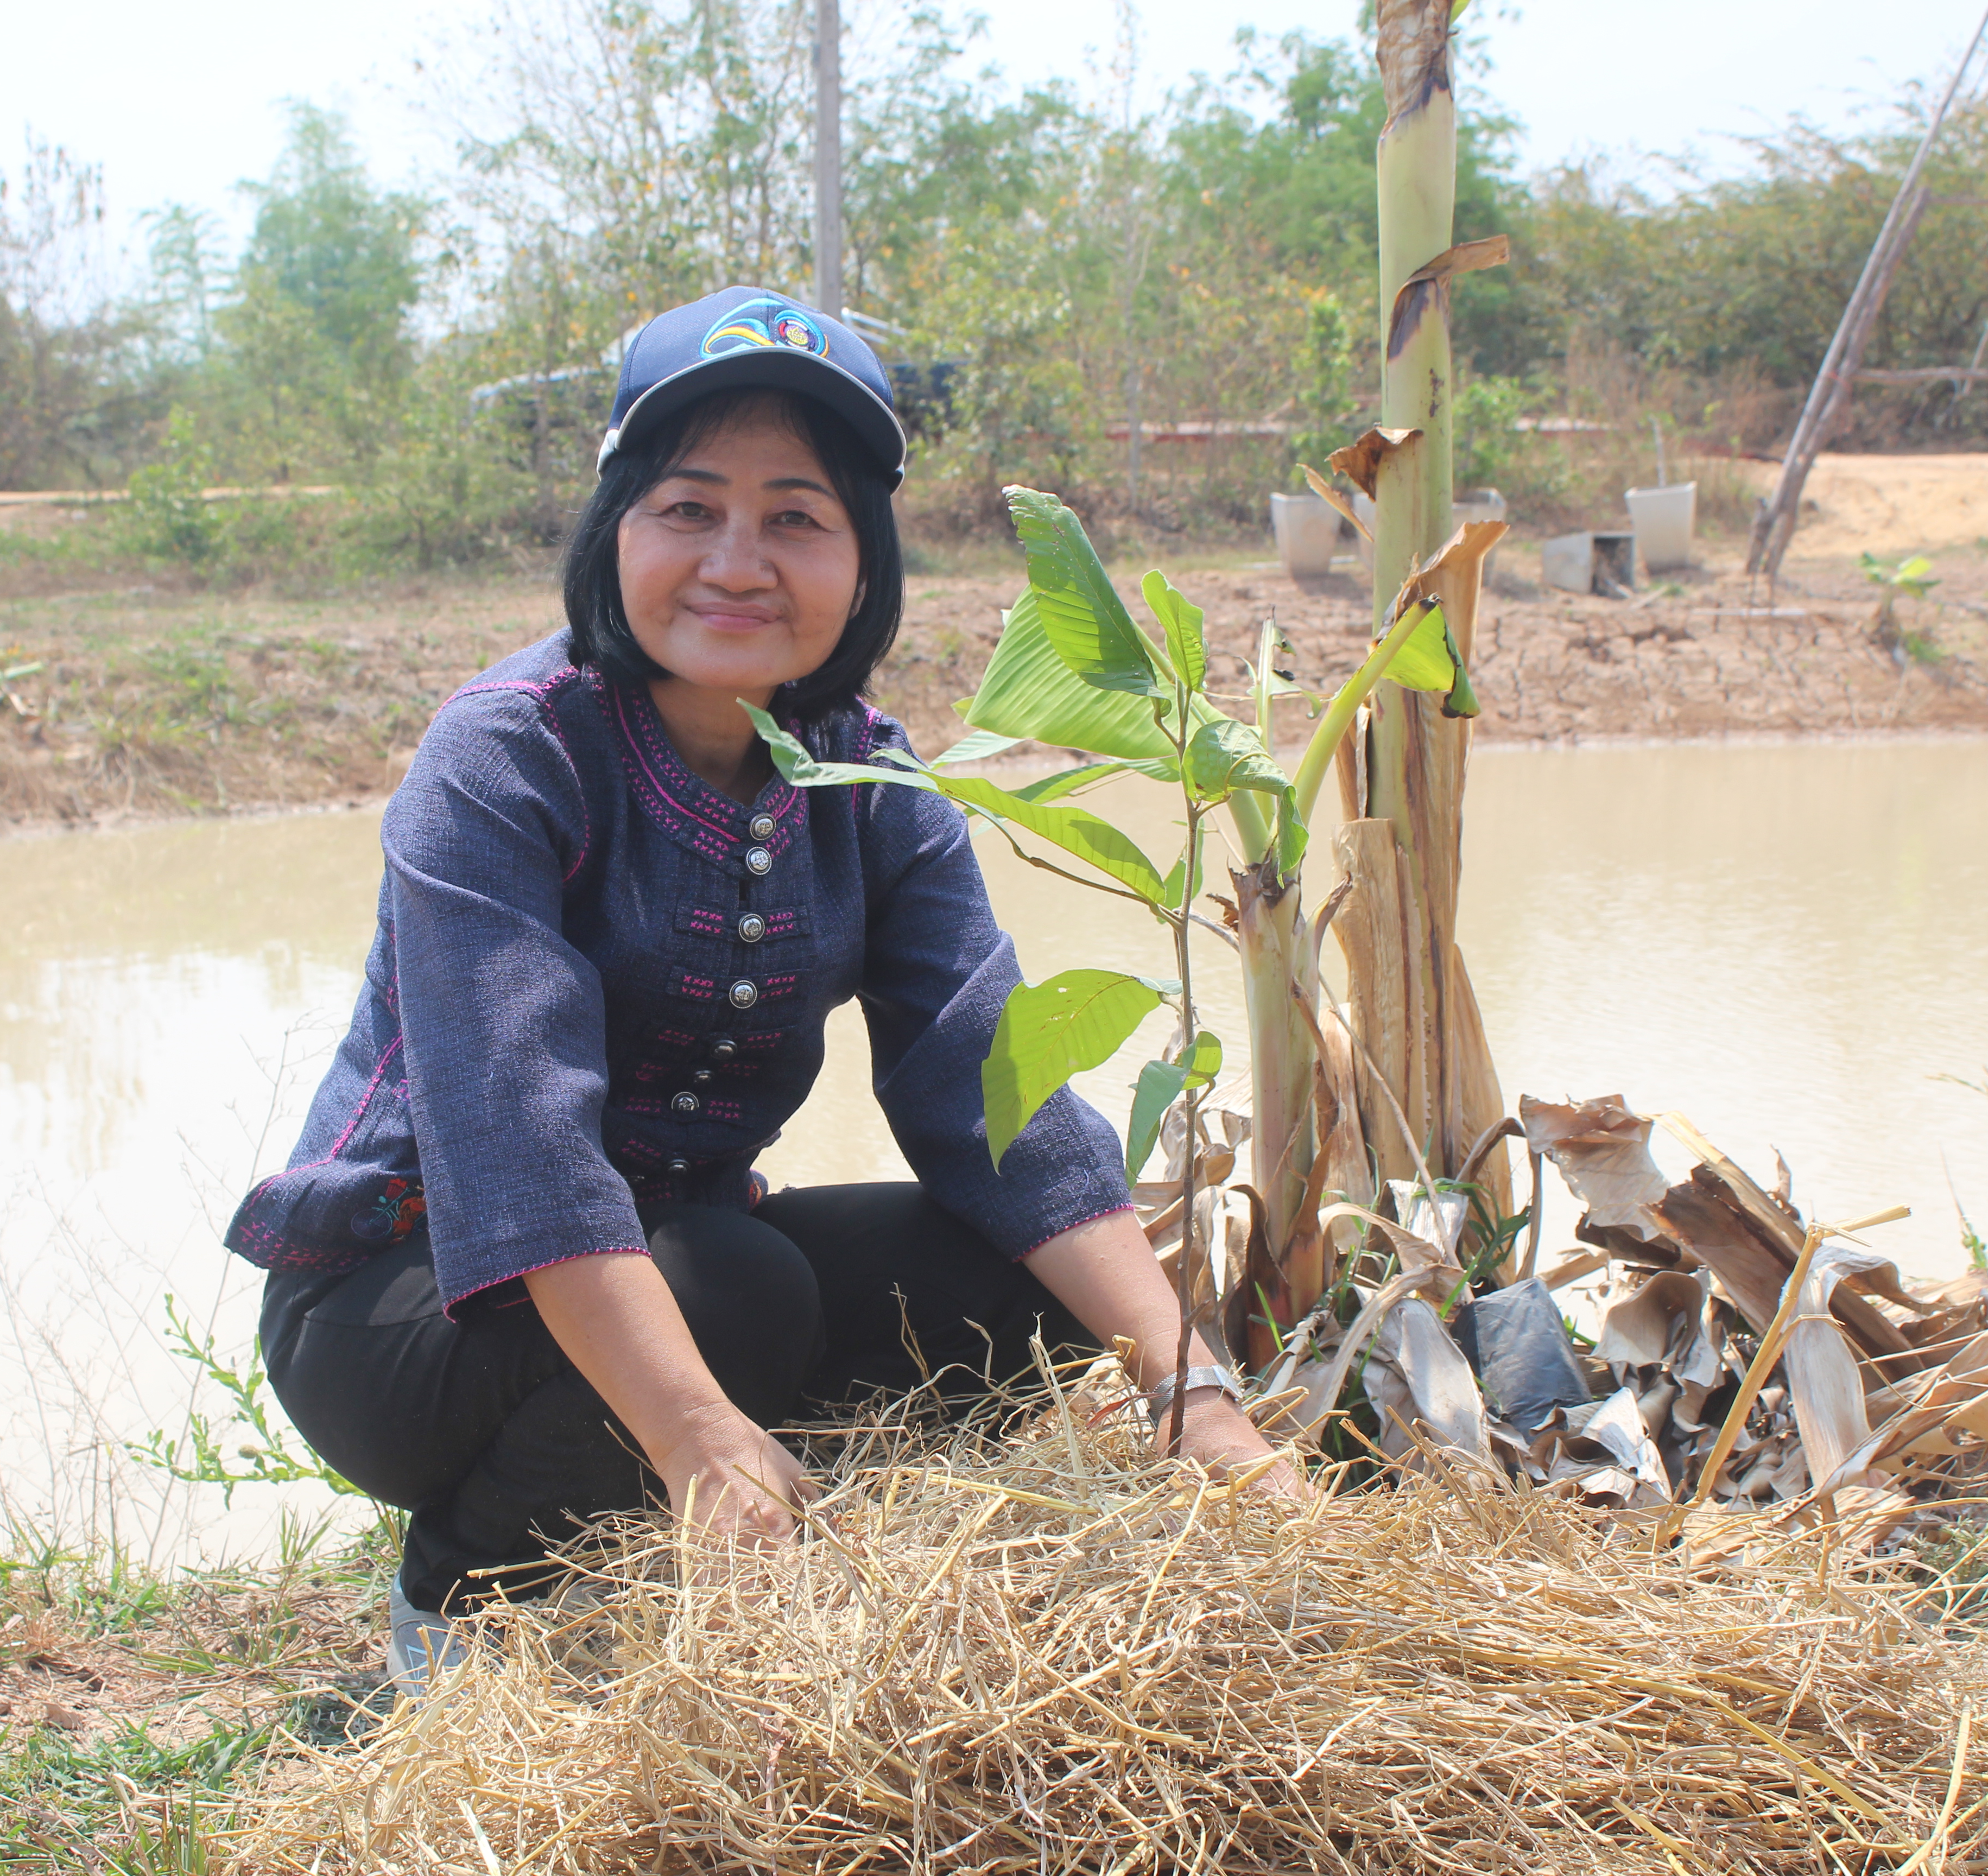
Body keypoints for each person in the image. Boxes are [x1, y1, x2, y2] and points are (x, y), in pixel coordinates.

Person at [223, 284, 1291, 1693]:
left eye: (796, 515)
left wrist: (1190, 1391)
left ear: (865, 562)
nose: (737, 561)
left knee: (998, 1286)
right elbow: (519, 1149)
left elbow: (998, 1101)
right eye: (687, 508)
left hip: (683, 1261)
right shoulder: (506, 759)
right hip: (400, 1300)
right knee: (738, 1285)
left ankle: (729, 1545)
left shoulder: (869, 778)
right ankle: (470, 1611)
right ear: (616, 534)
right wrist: (695, 1433)